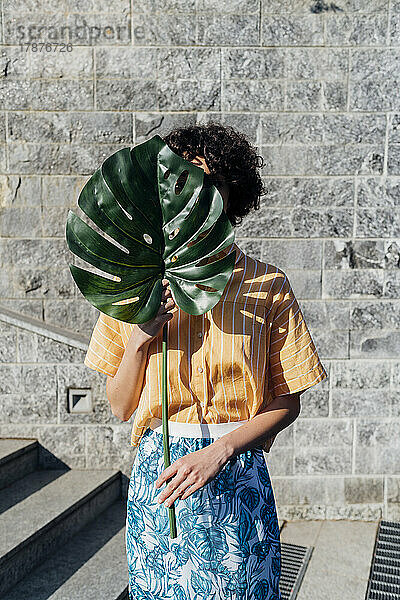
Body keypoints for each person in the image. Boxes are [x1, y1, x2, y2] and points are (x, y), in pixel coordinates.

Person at [83, 122, 328, 600]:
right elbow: (119, 406)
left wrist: (221, 451)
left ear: (230, 195)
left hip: (236, 476)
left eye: (209, 179)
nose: (193, 190)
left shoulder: (266, 285)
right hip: (163, 479)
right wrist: (140, 337)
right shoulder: (136, 283)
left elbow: (287, 402)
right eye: (182, 176)